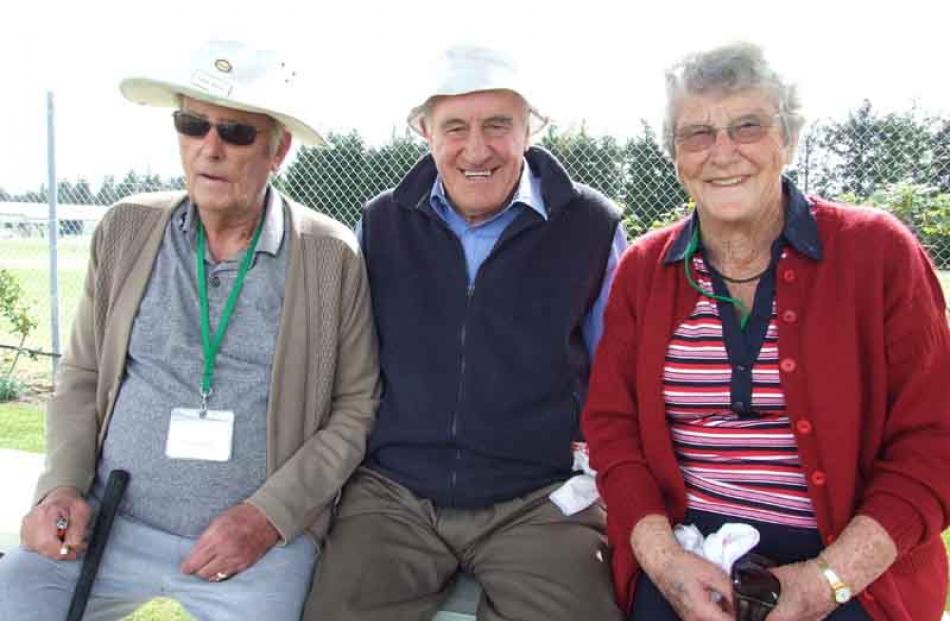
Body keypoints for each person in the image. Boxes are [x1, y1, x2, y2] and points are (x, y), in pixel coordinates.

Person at [0, 40, 379, 621]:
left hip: (258, 546)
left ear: (278, 150)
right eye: (192, 123)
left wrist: (269, 517)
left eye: (236, 133)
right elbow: (80, 375)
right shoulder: (127, 228)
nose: (210, 147)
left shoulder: (329, 257)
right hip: (109, 519)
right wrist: (61, 490)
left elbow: (356, 409)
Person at [582, 41, 950, 621]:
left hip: (846, 562)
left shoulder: (878, 253)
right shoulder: (645, 271)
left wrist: (827, 581)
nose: (722, 152)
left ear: (789, 139)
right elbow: (612, 430)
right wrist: (664, 561)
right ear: (675, 156)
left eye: (747, 126)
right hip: (688, 553)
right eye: (697, 134)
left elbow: (934, 443)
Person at [305, 44, 627, 621]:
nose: (476, 149)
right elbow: (344, 368)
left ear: (530, 130)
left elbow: (616, 377)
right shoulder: (382, 224)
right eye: (455, 127)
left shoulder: (592, 227)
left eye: (498, 125)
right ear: (426, 133)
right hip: (395, 495)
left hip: (537, 499)